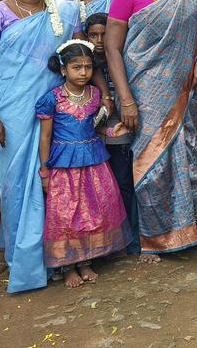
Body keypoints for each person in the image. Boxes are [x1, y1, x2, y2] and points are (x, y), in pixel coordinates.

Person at [104, 0, 197, 260]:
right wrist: (126, 98)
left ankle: (190, 229)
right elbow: (112, 48)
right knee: (150, 163)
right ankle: (153, 238)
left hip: (183, 89)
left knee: (187, 156)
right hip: (144, 91)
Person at [0, 0, 83, 292]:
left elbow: (75, 57)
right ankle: (24, 258)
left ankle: (58, 255)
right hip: (11, 111)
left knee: (54, 182)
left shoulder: (64, 12)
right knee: (17, 186)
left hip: (54, 111)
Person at [37, 40, 130, 288]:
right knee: (66, 214)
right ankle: (68, 266)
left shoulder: (95, 95)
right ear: (63, 69)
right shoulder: (52, 99)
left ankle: (87, 260)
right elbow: (45, 136)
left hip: (94, 161)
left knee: (94, 210)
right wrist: (44, 169)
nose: (83, 73)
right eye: (76, 67)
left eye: (88, 67)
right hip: (63, 166)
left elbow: (96, 128)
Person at [84, 13, 139, 255]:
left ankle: (127, 237)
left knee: (122, 181)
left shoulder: (123, 57)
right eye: (93, 35)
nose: (98, 40)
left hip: (119, 128)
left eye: (104, 34)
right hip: (89, 134)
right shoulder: (82, 61)